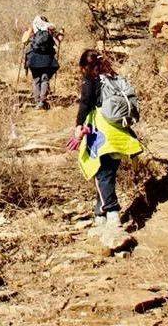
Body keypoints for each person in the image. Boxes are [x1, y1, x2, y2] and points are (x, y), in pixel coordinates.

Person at [67, 49, 142, 227]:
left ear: (85, 66)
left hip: (101, 132)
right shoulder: (115, 78)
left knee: (102, 173)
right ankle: (100, 212)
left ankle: (112, 213)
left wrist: (78, 127)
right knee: (108, 173)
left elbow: (85, 104)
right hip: (119, 133)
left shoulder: (90, 80)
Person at [22, 15, 62, 109]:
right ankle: (42, 101)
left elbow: (24, 41)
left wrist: (27, 32)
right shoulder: (50, 28)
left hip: (34, 58)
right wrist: (61, 32)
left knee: (36, 80)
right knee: (45, 79)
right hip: (47, 59)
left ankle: (37, 102)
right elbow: (59, 40)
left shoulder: (33, 27)